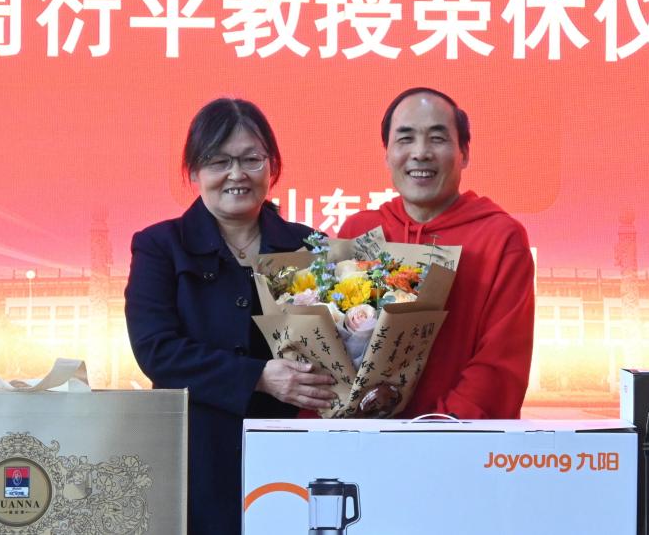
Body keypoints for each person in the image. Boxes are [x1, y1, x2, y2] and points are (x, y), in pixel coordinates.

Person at [125, 98, 336, 535]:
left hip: (291, 451)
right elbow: (157, 351)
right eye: (219, 161)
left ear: (271, 166)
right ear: (194, 171)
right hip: (196, 457)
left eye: (250, 159)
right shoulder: (160, 246)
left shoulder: (310, 246)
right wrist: (258, 377)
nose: (236, 174)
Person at [339, 87, 535, 419]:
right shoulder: (358, 232)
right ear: (387, 154)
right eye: (405, 139)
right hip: (358, 437)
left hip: (455, 438)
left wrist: (436, 430)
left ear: (464, 153)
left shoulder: (500, 238)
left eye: (437, 139)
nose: (420, 153)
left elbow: (499, 365)